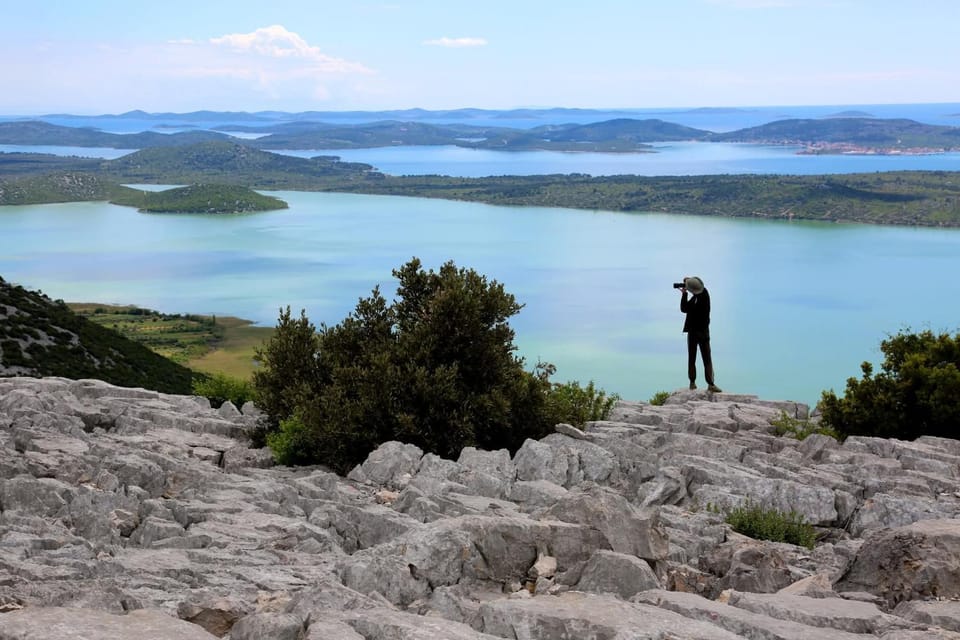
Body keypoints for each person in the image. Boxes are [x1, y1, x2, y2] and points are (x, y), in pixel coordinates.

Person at [680, 276, 722, 392]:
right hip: (704, 333)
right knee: (707, 359)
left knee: (692, 358)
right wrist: (688, 281)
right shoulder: (705, 295)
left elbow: (683, 308)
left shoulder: (694, 302)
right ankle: (711, 384)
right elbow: (697, 287)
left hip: (693, 333)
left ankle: (692, 383)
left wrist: (684, 294)